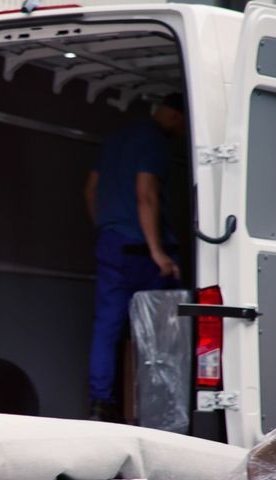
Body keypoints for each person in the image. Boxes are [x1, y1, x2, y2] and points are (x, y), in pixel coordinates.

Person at [83, 93, 185, 422]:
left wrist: (106, 227)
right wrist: (158, 253)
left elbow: (91, 189)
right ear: (174, 116)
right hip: (141, 252)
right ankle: (159, 408)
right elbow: (146, 194)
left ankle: (101, 404)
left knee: (107, 327)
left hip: (111, 244)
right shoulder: (154, 141)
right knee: (160, 329)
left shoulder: (118, 137)